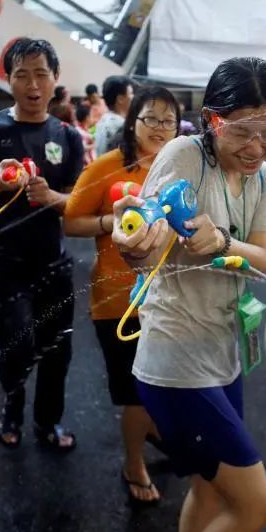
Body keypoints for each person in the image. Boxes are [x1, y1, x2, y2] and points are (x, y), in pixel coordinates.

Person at [112, 57, 266, 532]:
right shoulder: (185, 155)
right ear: (212, 120)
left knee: (209, 490)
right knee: (256, 505)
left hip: (223, 352)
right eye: (242, 131)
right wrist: (133, 241)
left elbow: (263, 258)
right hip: (174, 359)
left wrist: (221, 242)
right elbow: (147, 240)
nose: (257, 147)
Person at [0, 38, 84, 450]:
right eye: (22, 75)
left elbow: (77, 202)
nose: (33, 85)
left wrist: (51, 197)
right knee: (17, 346)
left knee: (58, 347)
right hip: (2, 261)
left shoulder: (68, 136)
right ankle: (12, 407)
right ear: (8, 79)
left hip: (52, 259)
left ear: (55, 78)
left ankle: (48, 422)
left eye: (41, 74)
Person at [64, 86, 181, 503]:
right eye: (151, 118)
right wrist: (111, 224)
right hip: (119, 300)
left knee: (160, 386)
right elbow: (71, 221)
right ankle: (133, 465)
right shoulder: (108, 167)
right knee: (138, 393)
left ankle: (150, 429)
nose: (160, 128)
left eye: (169, 121)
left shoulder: (180, 168)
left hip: (171, 298)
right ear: (133, 122)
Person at [94, 75, 135, 156]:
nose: (133, 97)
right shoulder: (121, 126)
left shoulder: (103, 120)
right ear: (120, 99)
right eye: (131, 93)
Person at [74, 101, 96, 165]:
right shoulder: (79, 132)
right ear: (87, 118)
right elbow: (81, 148)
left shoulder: (88, 130)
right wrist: (94, 145)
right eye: (92, 115)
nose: (93, 118)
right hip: (86, 166)